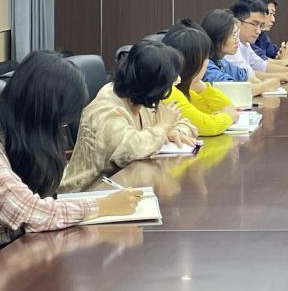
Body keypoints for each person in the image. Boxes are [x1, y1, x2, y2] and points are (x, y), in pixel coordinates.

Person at [0, 51, 143, 281]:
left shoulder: (21, 142)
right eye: (60, 120)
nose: (61, 128)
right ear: (40, 111)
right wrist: (102, 206)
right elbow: (33, 214)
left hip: (19, 250)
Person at [60, 39, 198, 192]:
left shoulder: (143, 98)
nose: (176, 83)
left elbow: (186, 124)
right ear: (153, 84)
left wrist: (176, 132)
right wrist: (163, 127)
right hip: (88, 192)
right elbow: (129, 151)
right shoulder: (105, 108)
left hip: (125, 189)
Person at [162, 20, 241, 136]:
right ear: (194, 63)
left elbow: (225, 108)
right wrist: (228, 117)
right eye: (206, 58)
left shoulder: (187, 88)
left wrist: (202, 87)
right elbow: (207, 125)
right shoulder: (169, 92)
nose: (207, 63)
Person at [200, 7, 282, 96]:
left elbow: (244, 76)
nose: (238, 41)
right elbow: (233, 91)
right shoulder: (205, 64)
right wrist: (265, 86)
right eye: (234, 35)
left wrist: (260, 83)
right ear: (218, 37)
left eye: (237, 35)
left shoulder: (221, 61)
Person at [226, 0, 288, 82]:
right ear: (237, 22)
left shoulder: (245, 43)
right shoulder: (228, 45)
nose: (258, 31)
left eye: (261, 26)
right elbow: (248, 76)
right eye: (254, 24)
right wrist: (286, 76)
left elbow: (262, 66)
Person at [245, 0, 288, 64]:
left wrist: (284, 53)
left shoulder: (261, 35)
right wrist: (285, 60)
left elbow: (274, 55)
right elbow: (262, 64)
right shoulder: (246, 37)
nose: (273, 19)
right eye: (270, 13)